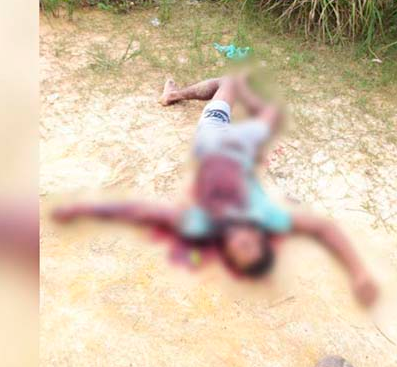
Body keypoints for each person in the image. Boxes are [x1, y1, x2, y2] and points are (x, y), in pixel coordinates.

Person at [53, 74, 378, 307]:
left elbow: (140, 212)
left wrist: (83, 209)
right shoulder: (266, 216)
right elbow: (323, 228)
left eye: (234, 248)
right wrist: (360, 273)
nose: (238, 239)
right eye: (249, 242)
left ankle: (173, 94)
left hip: (215, 136)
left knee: (229, 82)